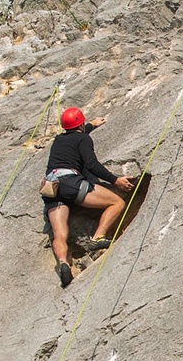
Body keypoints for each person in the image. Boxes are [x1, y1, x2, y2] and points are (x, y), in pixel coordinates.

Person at [41, 108, 134, 288]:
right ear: (81, 125)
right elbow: (91, 164)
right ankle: (98, 238)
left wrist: (91, 125)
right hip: (70, 182)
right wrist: (115, 180)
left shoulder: (59, 139)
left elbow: (73, 136)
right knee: (117, 202)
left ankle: (63, 263)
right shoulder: (83, 138)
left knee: (59, 233)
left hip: (51, 186)